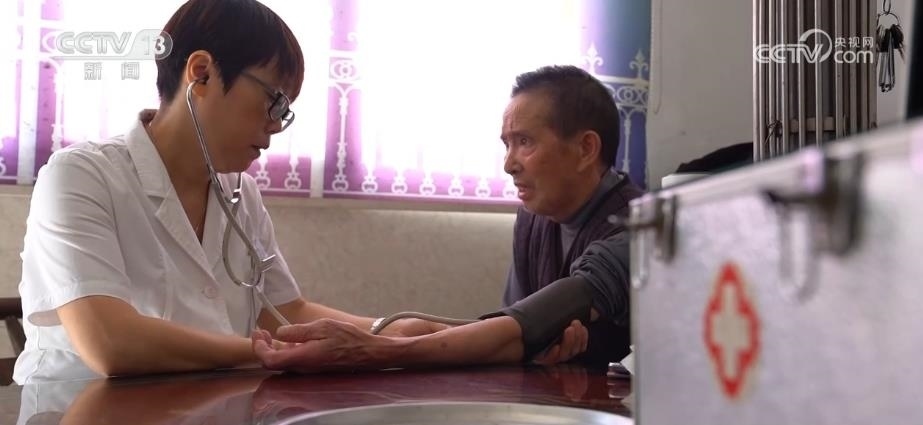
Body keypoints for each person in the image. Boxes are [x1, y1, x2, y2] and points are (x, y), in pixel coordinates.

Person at [13, 0, 582, 385]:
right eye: (274, 101)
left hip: (200, 404)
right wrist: (277, 352)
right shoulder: (81, 176)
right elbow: (111, 344)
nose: (276, 126)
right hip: (80, 409)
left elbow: (287, 312)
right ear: (202, 73)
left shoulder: (239, 193)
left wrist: (398, 334)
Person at [251, 65, 644, 372]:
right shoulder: (533, 219)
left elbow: (516, 332)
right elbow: (514, 326)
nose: (508, 165)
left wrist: (374, 349)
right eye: (506, 144)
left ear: (586, 149)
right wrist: (413, 333)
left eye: (525, 142)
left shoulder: (641, 229)